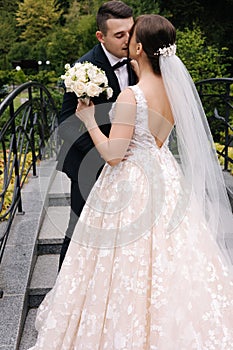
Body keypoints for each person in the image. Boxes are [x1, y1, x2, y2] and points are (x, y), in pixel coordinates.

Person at [29, 14, 233, 349]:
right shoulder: (175, 90)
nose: (127, 42)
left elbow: (113, 155)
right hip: (164, 175)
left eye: (132, 36)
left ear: (139, 47)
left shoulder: (132, 97)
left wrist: (89, 120)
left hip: (128, 180)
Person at [57, 0, 136, 270]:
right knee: (79, 229)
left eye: (130, 31)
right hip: (88, 163)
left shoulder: (140, 58)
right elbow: (65, 123)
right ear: (100, 36)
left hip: (130, 164)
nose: (128, 39)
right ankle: (62, 292)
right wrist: (101, 153)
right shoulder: (84, 69)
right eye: (119, 35)